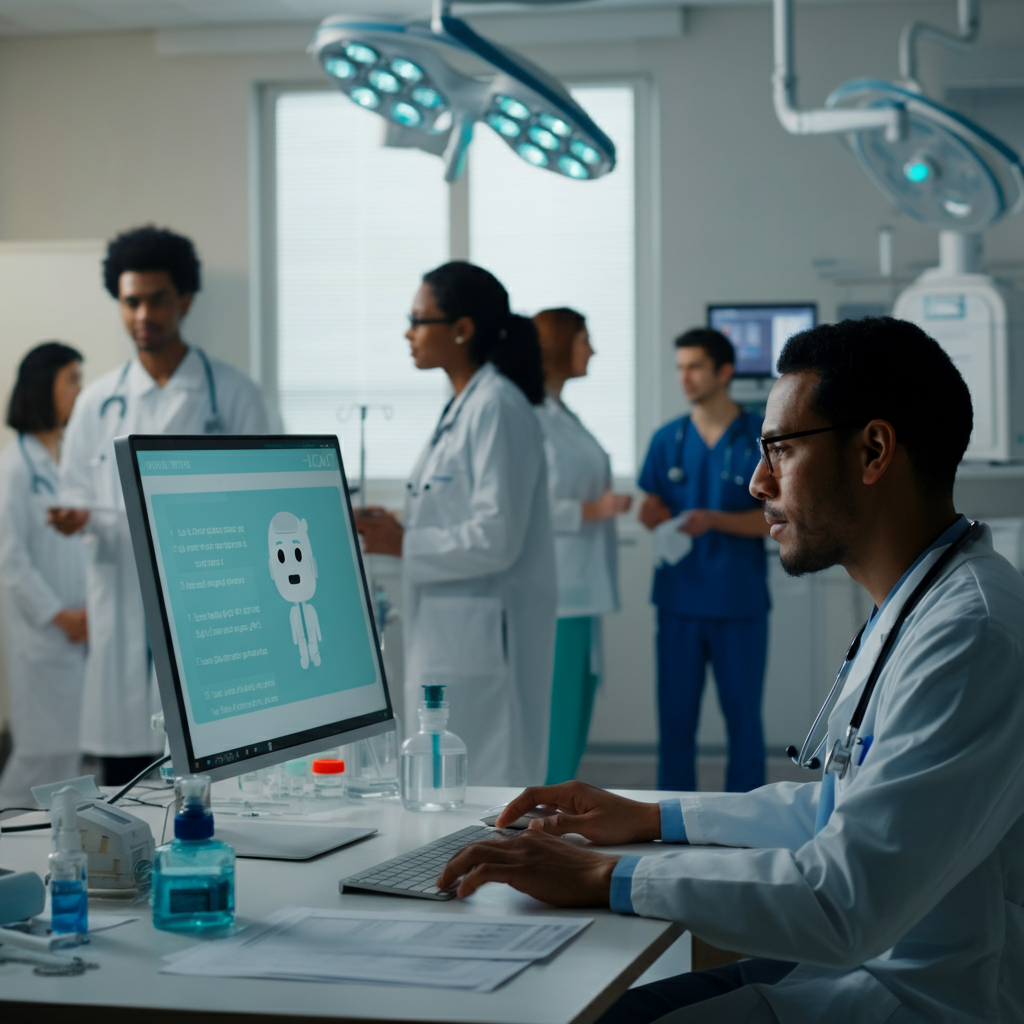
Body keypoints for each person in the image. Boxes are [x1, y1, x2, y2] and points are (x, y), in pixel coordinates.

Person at [437, 316, 1024, 1024]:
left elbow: (843, 900)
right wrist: (652, 816)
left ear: (873, 451)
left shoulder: (970, 633)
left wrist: (606, 875)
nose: (755, 481)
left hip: (914, 999)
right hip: (858, 966)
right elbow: (834, 811)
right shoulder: (920, 603)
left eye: (781, 449)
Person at [48, 226, 273, 786]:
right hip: (122, 610)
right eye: (131, 302)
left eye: (157, 299)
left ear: (185, 300)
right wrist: (74, 519)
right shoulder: (96, 403)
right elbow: (75, 496)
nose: (143, 314)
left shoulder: (234, 395)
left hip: (210, 608)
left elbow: (262, 506)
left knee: (215, 784)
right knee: (124, 785)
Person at [355, 261, 556, 787]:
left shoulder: (497, 407)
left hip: (485, 637)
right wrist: (399, 525)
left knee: (484, 788)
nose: (408, 333)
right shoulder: (463, 406)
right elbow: (458, 509)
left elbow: (496, 538)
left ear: (462, 329)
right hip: (453, 632)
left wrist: (405, 543)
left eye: (418, 320)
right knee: (443, 785)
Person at [638, 328, 770, 792]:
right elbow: (652, 506)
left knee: (744, 722)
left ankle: (748, 814)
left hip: (738, 601)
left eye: (694, 366)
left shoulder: (761, 437)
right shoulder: (666, 439)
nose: (684, 377)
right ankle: (669, 815)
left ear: (724, 371)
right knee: (675, 723)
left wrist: (714, 519)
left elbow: (777, 519)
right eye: (680, 367)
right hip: (679, 603)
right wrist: (649, 515)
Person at [533, 308, 631, 784]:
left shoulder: (559, 412)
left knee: (576, 707)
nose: (591, 350)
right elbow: (525, 507)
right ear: (558, 345)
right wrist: (592, 510)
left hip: (581, 589)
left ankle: (554, 805)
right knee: (558, 717)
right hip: (560, 593)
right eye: (583, 340)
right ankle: (542, 811)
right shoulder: (532, 416)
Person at [0, 344, 88, 808]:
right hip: (45, 635)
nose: (79, 389)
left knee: (68, 759)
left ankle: (55, 838)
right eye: (72, 379)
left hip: (78, 630)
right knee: (38, 757)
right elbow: (10, 559)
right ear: (43, 387)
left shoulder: (66, 460)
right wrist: (60, 615)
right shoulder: (14, 467)